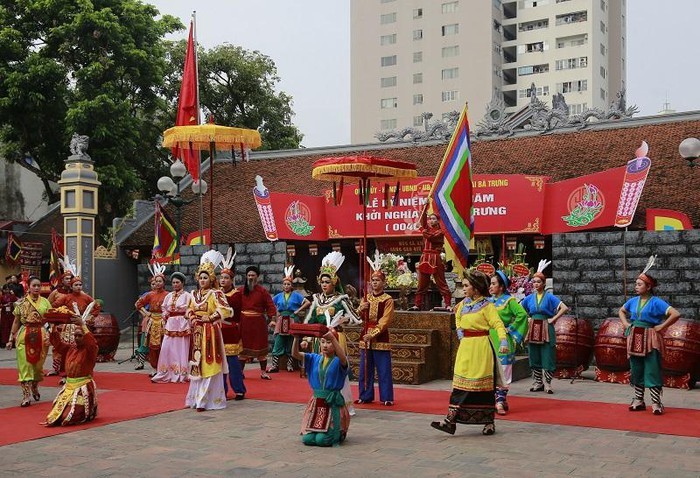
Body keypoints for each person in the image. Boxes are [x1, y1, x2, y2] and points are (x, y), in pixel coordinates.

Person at [430, 270, 509, 436]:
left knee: (483, 387)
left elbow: (498, 324)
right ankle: (450, 421)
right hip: (466, 348)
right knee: (460, 385)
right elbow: (457, 318)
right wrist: (460, 332)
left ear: (477, 288)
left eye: (467, 286)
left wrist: (503, 340)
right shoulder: (463, 304)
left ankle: (488, 422)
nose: (464, 289)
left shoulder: (487, 306)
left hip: (481, 348)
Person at [619, 257, 681, 415]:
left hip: (651, 338)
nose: (636, 287)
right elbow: (621, 311)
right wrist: (626, 324)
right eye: (636, 284)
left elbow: (675, 314)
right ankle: (638, 400)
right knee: (636, 368)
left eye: (639, 284)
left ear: (648, 287)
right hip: (635, 337)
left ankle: (656, 403)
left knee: (652, 368)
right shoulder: (633, 301)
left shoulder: (656, 302)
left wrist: (661, 326)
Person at [302, 252, 361, 415]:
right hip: (319, 340)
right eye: (322, 282)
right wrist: (306, 338)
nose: (324, 285)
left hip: (336, 338)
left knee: (336, 369)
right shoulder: (316, 299)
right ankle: (321, 401)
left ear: (334, 282)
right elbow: (309, 320)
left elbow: (356, 318)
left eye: (327, 282)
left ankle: (343, 403)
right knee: (321, 370)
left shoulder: (341, 299)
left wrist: (344, 320)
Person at [185, 253, 232, 411]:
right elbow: (189, 310)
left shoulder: (216, 294)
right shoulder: (194, 294)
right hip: (197, 332)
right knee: (197, 363)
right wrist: (192, 319)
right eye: (200, 278)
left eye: (205, 278)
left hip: (210, 332)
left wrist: (210, 318)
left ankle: (206, 400)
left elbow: (226, 310)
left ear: (211, 279)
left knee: (210, 363)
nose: (202, 280)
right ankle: (196, 399)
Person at [292, 329, 351, 447]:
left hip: (332, 402)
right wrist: (296, 338)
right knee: (307, 439)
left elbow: (343, 358)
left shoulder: (339, 361)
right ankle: (318, 431)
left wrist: (333, 339)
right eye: (323, 342)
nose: (325, 345)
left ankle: (338, 433)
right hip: (317, 401)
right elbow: (295, 354)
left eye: (329, 342)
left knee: (321, 440)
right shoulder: (314, 358)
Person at [520, 260, 569, 394]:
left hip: (546, 327)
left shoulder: (550, 297)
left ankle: (548, 383)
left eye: (538, 282)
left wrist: (553, 318)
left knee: (548, 354)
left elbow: (564, 308)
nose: (536, 284)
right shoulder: (529, 298)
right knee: (534, 355)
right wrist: (528, 318)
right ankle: (538, 382)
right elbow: (520, 310)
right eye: (534, 282)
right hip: (533, 327)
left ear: (543, 283)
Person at [44, 313, 98, 426]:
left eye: (80, 336)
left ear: (85, 336)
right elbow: (58, 344)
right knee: (56, 414)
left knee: (75, 415)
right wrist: (54, 326)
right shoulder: (71, 348)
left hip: (83, 386)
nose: (77, 338)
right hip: (69, 386)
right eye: (75, 336)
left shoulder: (90, 350)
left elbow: (92, 343)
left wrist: (82, 325)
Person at [5, 276, 50, 407]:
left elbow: (50, 320)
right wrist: (10, 339)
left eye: (38, 286)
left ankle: (35, 386)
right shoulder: (21, 303)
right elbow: (16, 321)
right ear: (28, 287)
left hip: (41, 335)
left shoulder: (45, 302)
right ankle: (26, 395)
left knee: (37, 367)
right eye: (34, 285)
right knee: (25, 366)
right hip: (25, 335)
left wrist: (50, 334)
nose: (36, 288)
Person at [489, 271, 529, 415]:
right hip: (489, 338)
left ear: (501, 286)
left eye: (494, 284)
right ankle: (498, 399)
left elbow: (522, 314)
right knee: (490, 370)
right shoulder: (489, 301)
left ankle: (499, 401)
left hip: (502, 339)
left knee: (504, 371)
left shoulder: (509, 301)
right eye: (491, 283)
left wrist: (511, 329)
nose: (491, 286)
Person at [356, 259, 395, 406]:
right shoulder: (366, 298)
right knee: (364, 369)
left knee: (383, 369)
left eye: (377, 280)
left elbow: (386, 320)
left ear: (383, 282)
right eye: (372, 280)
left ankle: (386, 397)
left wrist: (373, 334)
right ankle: (365, 395)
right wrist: (361, 309)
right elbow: (358, 316)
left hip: (380, 336)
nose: (374, 283)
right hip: (365, 333)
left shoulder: (388, 299)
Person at [231, 266, 277, 380]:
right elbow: (234, 305)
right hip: (244, 323)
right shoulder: (240, 291)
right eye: (249, 275)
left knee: (261, 350)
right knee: (242, 350)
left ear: (257, 277)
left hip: (258, 324)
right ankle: (240, 372)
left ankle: (263, 372)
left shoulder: (262, 291)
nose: (251, 277)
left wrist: (272, 319)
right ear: (246, 276)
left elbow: (270, 305)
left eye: (253, 275)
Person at [151, 272, 192, 383]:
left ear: (182, 283)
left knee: (181, 348)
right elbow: (164, 308)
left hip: (182, 324)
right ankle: (165, 372)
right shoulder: (169, 296)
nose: (175, 285)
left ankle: (181, 373)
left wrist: (187, 317)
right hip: (170, 324)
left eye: (177, 282)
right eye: (173, 282)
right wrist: (165, 315)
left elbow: (191, 309)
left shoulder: (188, 296)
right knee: (167, 347)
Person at [218, 250, 247, 400]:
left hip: (230, 329)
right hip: (218, 330)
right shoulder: (216, 293)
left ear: (231, 280)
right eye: (221, 277)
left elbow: (230, 310)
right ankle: (221, 389)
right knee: (219, 363)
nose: (223, 280)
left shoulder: (236, 295)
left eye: (226, 278)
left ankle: (239, 389)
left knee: (232, 362)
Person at [269, 265, 307, 373]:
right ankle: (275, 365)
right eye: (285, 284)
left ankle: (290, 365)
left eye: (288, 284)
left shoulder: (296, 295)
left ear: (291, 286)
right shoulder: (278, 296)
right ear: (282, 286)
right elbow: (271, 306)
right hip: (281, 320)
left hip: (291, 319)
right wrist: (273, 318)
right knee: (278, 341)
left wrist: (298, 311)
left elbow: (307, 302)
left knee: (291, 341)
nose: (286, 286)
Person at [410, 213, 451, 311]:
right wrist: (425, 206)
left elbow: (430, 237)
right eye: (430, 219)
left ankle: (448, 304)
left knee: (441, 282)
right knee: (422, 283)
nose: (430, 220)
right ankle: (417, 304)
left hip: (435, 257)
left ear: (438, 220)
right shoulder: (427, 229)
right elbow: (423, 219)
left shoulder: (441, 231)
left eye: (433, 219)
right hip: (425, 257)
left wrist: (420, 228)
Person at [134, 264, 169, 375]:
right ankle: (154, 368)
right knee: (152, 346)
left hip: (164, 322)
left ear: (164, 282)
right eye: (156, 281)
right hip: (152, 322)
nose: (158, 283)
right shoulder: (149, 295)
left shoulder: (168, 295)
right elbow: (138, 304)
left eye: (160, 281)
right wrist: (146, 313)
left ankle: (163, 367)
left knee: (164, 345)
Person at [46, 270, 74, 377]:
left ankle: (69, 368)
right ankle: (56, 368)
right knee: (57, 346)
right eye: (66, 278)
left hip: (71, 324)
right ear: (62, 280)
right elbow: (49, 306)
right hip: (57, 323)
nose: (68, 280)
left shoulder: (75, 292)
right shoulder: (56, 292)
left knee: (70, 346)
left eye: (70, 278)